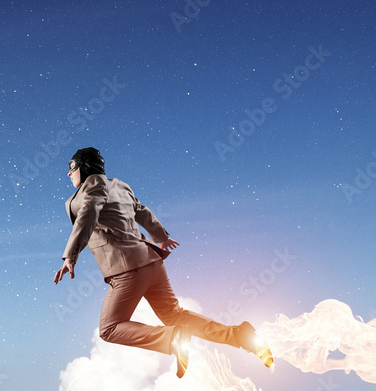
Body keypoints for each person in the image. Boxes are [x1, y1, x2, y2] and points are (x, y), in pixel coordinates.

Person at [54, 147, 272, 378]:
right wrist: (162, 237)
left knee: (109, 329)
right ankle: (240, 335)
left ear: (84, 167)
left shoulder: (92, 188)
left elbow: (88, 215)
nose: (69, 174)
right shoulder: (120, 185)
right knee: (174, 315)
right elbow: (141, 211)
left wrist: (71, 255)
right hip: (152, 262)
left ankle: (173, 338)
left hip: (127, 270)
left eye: (72, 167)